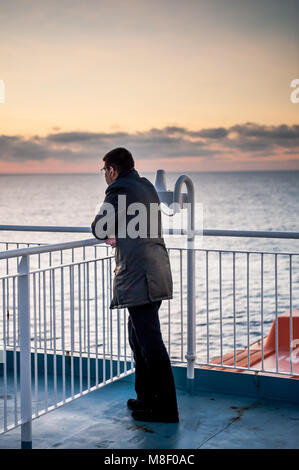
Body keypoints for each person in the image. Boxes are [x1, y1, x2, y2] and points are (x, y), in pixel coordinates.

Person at [91, 147, 179, 423]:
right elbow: (137, 222)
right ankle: (147, 398)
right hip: (156, 266)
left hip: (140, 274)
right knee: (138, 335)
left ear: (112, 170)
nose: (105, 175)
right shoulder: (145, 186)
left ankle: (165, 408)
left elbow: (99, 228)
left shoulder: (118, 189)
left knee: (150, 341)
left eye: (104, 170)